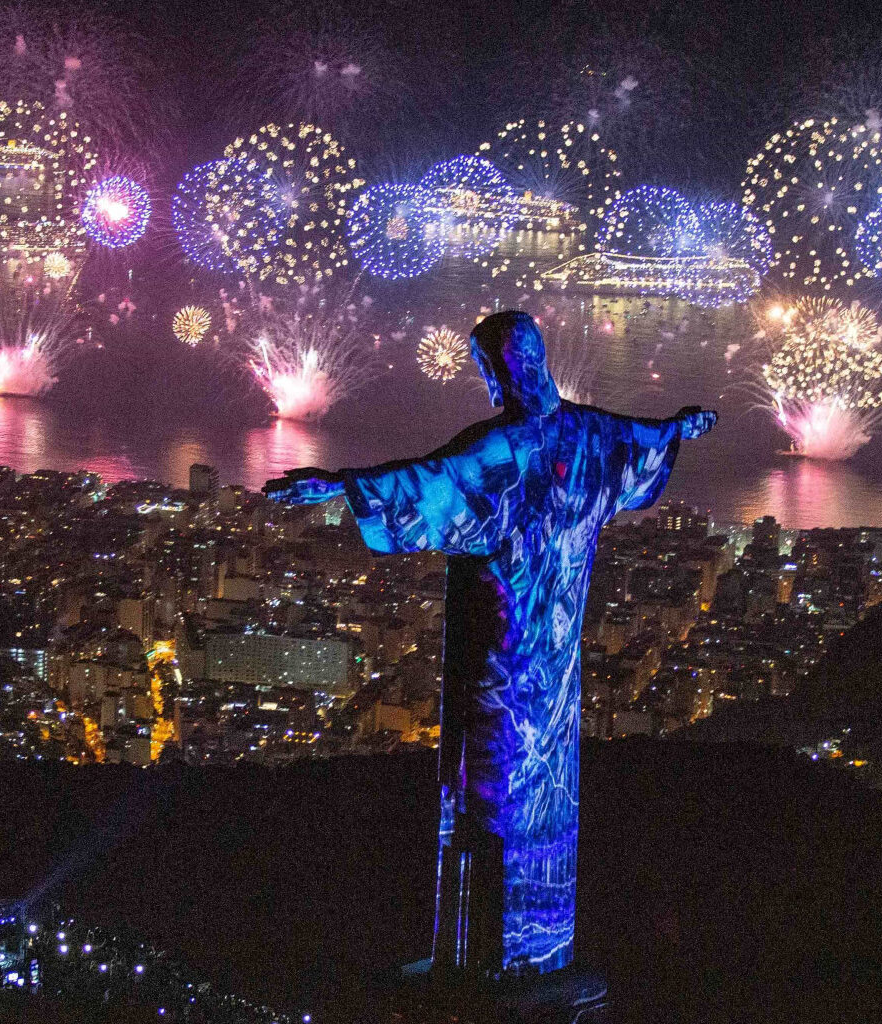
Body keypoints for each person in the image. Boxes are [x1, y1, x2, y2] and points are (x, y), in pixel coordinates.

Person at [267, 310, 715, 977]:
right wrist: (680, 428)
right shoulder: (593, 436)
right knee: (547, 791)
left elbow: (427, 482)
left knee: (489, 790)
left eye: (488, 366)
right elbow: (644, 443)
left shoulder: (502, 450)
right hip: (558, 666)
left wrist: (338, 484)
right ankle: (543, 947)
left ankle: (487, 961)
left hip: (499, 658)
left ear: (498, 367)